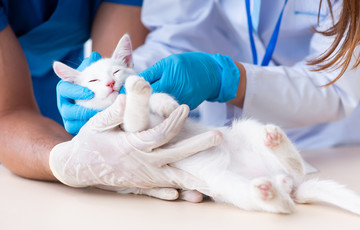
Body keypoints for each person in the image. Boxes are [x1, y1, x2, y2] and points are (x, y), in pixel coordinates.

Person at [61, 0, 360, 150]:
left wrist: (226, 78)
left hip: (330, 146)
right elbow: (176, 36)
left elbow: (335, 86)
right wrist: (127, 76)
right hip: (224, 141)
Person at [0, 0, 221, 201]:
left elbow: (117, 96)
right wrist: (73, 161)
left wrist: (122, 150)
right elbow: (7, 115)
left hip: (71, 73)